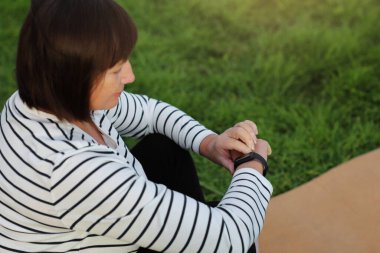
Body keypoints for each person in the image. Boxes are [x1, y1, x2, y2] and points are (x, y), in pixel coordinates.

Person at [0, 0, 273, 252]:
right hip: (86, 224)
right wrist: (252, 164)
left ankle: (191, 228)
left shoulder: (43, 98)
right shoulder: (74, 169)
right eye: (115, 70)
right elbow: (229, 238)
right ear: (73, 76)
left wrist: (208, 142)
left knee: (165, 148)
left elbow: (150, 113)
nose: (130, 75)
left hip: (85, 221)